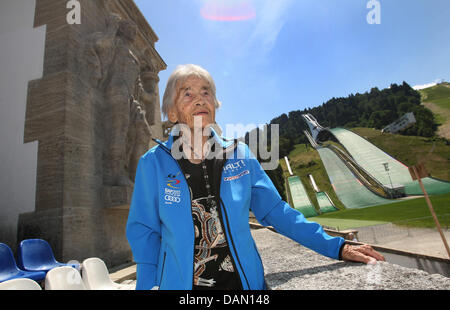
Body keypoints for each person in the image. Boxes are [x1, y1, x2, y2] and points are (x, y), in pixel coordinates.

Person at [126, 64, 385, 290]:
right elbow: (145, 234)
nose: (200, 99)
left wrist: (336, 247)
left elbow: (277, 212)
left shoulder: (239, 154)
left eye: (206, 92)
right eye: (188, 93)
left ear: (215, 105)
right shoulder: (153, 164)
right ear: (171, 113)